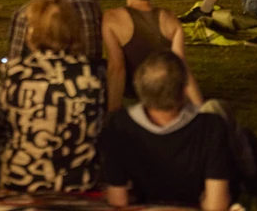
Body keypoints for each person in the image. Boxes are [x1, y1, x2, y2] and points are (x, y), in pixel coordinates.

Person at [101, 52, 238, 211]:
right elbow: (216, 205)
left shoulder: (118, 124)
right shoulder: (211, 127)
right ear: (183, 88)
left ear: (139, 86)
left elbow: (118, 199)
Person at [0, 0, 105, 193]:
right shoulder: (93, 73)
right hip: (78, 179)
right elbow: (99, 125)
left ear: (34, 32)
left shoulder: (14, 72)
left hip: (22, 178)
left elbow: (0, 125)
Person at [102, 0, 203, 112]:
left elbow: (117, 68)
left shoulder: (112, 19)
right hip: (168, 96)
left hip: (134, 97)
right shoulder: (169, 18)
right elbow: (181, 66)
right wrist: (200, 108)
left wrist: (112, 112)